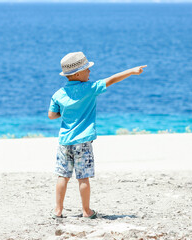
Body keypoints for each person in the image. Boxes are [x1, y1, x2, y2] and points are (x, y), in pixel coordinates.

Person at [48, 51, 146, 219]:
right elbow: (112, 80)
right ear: (78, 73)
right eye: (87, 69)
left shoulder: (58, 94)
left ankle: (58, 211)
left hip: (64, 142)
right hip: (83, 142)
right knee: (83, 178)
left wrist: (65, 113)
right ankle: (87, 211)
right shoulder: (91, 88)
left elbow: (52, 115)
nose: (90, 72)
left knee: (62, 176)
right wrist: (131, 71)